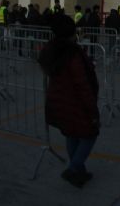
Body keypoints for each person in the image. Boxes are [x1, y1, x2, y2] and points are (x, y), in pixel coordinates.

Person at [39, 14, 100, 188]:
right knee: (90, 134)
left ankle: (79, 171)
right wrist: (92, 109)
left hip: (59, 100)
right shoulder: (72, 54)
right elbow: (82, 84)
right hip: (76, 102)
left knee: (71, 133)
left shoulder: (51, 50)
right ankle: (73, 168)